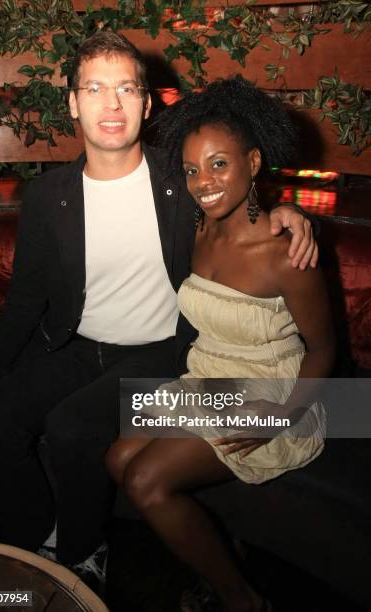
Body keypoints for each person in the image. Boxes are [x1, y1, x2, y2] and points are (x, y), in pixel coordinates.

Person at [0, 32, 316, 587]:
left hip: (162, 352)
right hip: (77, 348)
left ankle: (83, 553)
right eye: (95, 88)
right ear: (73, 103)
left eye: (127, 88)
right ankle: (38, 549)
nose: (111, 103)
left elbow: (236, 193)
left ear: (147, 104)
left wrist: (289, 210)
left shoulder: (177, 179)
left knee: (72, 427)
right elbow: (26, 298)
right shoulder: (48, 195)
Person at [106, 76, 335, 612]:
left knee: (144, 479)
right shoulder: (198, 227)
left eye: (218, 164)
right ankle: (221, 553)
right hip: (208, 379)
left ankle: (241, 599)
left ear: (253, 163)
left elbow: (324, 350)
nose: (203, 182)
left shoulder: (285, 253)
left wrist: (279, 417)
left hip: (269, 392)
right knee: (117, 458)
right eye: (191, 169)